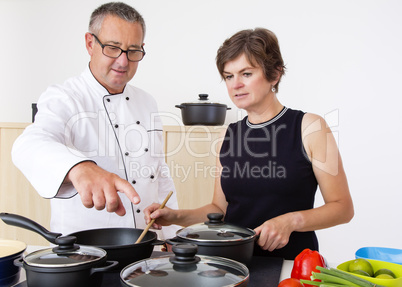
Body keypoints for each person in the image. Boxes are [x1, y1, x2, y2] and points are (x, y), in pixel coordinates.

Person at [144, 28, 354, 259]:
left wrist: (291, 221)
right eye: (228, 76)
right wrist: (176, 216)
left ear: (274, 74)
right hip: (233, 264)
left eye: (246, 73)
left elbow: (342, 208)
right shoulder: (230, 135)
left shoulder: (310, 127)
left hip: (292, 265)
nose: (235, 85)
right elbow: (218, 210)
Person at [12, 2, 179, 239]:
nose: (123, 61)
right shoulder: (65, 97)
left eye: (133, 51)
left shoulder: (147, 102)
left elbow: (159, 173)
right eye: (113, 48)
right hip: (84, 252)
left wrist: (173, 235)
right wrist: (78, 168)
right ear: (90, 43)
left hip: (147, 247)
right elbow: (29, 144)